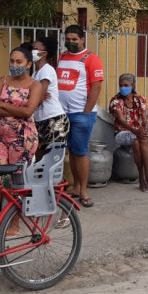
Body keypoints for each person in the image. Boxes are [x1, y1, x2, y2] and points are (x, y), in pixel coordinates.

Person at [0, 46, 43, 207]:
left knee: (18, 181)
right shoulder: (3, 81)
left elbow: (27, 112)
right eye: (12, 61)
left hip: (23, 140)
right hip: (1, 137)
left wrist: (4, 105)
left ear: (28, 64)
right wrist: (16, 110)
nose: (14, 65)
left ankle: (15, 219)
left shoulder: (35, 85)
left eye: (19, 62)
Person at [57, 25, 104, 208]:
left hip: (81, 114)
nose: (70, 42)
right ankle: (75, 187)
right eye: (68, 39)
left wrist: (86, 111)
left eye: (74, 39)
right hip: (62, 114)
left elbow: (96, 87)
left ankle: (84, 190)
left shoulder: (91, 59)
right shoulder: (62, 57)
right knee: (71, 152)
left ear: (82, 39)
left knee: (80, 152)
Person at [109, 73, 148, 191]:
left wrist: (143, 128)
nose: (123, 88)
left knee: (139, 140)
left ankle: (143, 177)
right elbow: (121, 120)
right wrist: (136, 131)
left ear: (133, 85)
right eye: (121, 85)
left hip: (136, 133)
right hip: (121, 134)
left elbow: (144, 119)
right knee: (137, 139)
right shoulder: (116, 101)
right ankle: (146, 176)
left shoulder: (140, 99)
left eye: (126, 85)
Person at [31, 37, 68, 163]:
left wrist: (35, 97)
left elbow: (39, 97)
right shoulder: (35, 73)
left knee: (51, 160)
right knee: (39, 157)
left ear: (44, 53)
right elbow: (36, 96)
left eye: (36, 49)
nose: (32, 51)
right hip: (40, 119)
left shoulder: (46, 70)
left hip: (53, 119)